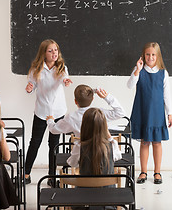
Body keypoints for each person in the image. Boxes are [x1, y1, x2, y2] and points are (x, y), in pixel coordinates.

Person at [24, 39, 72, 185]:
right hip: (42, 111)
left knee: (54, 144)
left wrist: (66, 82)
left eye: (56, 50)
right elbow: (31, 84)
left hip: (58, 112)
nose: (54, 53)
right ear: (44, 53)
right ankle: (26, 174)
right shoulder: (36, 69)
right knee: (35, 142)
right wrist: (30, 88)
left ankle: (52, 177)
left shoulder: (62, 68)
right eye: (50, 51)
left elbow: (65, 79)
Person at [46, 84, 126, 167]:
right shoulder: (99, 114)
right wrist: (106, 97)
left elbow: (53, 130)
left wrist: (50, 120)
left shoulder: (71, 118)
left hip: (82, 161)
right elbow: (121, 113)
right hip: (104, 164)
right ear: (93, 99)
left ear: (75, 101)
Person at [127, 42, 172, 184]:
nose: (150, 57)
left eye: (153, 54)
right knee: (144, 142)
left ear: (157, 56)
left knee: (157, 142)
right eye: (148, 54)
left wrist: (170, 113)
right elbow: (129, 85)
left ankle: (157, 172)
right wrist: (137, 70)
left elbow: (167, 95)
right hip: (142, 111)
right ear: (143, 55)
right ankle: (143, 172)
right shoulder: (139, 70)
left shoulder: (163, 73)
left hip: (157, 113)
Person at [79, 108, 122, 175]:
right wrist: (110, 137)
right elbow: (118, 157)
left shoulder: (79, 146)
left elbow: (72, 163)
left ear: (84, 126)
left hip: (85, 185)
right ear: (105, 127)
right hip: (108, 185)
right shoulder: (112, 145)